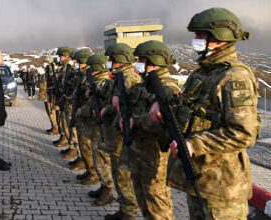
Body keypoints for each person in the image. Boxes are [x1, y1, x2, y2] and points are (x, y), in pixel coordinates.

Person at [149, 8, 259, 220]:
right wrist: (159, 105)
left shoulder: (234, 77)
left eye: (201, 35)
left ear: (221, 37)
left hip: (223, 188)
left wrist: (194, 145)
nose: (196, 40)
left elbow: (244, 133)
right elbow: (185, 110)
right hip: (200, 180)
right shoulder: (201, 74)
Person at [117, 40, 179, 219]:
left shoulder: (168, 89)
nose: (138, 64)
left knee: (158, 208)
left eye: (142, 60)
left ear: (154, 60)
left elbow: (165, 122)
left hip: (155, 159)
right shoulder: (142, 86)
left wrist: (134, 122)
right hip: (139, 155)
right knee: (144, 204)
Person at [100, 43, 141, 220]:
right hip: (116, 133)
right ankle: (124, 209)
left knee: (124, 176)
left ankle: (129, 212)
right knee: (118, 174)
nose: (109, 62)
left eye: (112, 59)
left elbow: (133, 108)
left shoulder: (129, 79)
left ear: (120, 60)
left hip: (123, 136)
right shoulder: (120, 78)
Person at [79, 54, 115, 205]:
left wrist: (81, 111)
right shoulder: (98, 81)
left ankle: (108, 190)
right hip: (96, 126)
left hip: (101, 127)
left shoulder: (104, 81)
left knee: (103, 159)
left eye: (91, 67)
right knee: (97, 157)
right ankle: (103, 186)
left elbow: (100, 105)